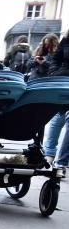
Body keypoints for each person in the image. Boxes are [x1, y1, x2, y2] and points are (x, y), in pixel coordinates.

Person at [33, 34, 62, 163]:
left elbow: (54, 68)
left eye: (48, 44)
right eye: (44, 43)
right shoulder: (40, 50)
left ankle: (47, 150)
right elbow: (30, 63)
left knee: (48, 118)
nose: (46, 46)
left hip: (48, 85)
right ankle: (41, 145)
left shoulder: (57, 54)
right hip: (37, 83)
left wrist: (44, 63)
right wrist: (35, 61)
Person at [50, 31, 69, 169]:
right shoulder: (66, 39)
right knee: (57, 118)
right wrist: (54, 72)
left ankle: (61, 162)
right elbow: (56, 59)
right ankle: (49, 154)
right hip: (62, 81)